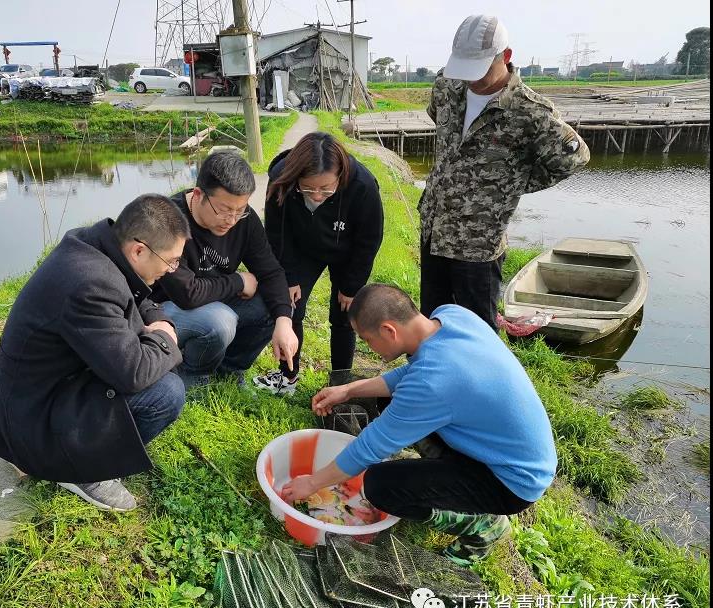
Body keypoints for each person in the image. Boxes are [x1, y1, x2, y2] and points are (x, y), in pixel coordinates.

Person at [282, 284, 557, 567]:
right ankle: (445, 476)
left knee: (379, 486)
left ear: (390, 331)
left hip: (511, 482)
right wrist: (350, 390)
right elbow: (413, 373)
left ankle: (484, 527)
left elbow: (369, 446)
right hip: (504, 449)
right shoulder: (451, 316)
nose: (369, 348)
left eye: (367, 340)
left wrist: (313, 483)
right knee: (391, 402)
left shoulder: (432, 381)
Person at [0, 195, 190, 512]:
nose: (172, 270)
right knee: (166, 392)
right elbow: (133, 373)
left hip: (47, 390)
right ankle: (85, 472)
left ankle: (82, 453)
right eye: (171, 262)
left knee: (158, 361)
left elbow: (139, 296)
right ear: (139, 250)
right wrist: (166, 338)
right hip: (37, 422)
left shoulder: (96, 245)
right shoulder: (91, 283)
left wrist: (159, 321)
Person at [420, 15, 590, 330]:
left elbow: (574, 159)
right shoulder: (445, 88)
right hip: (434, 228)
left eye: (480, 68)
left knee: (478, 330)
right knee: (431, 321)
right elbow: (442, 129)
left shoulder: (530, 112)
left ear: (506, 57)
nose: (471, 78)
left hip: (479, 243)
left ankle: (481, 380)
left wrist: (510, 184)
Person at [150, 151, 299, 388]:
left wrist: (284, 321)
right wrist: (239, 282)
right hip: (164, 310)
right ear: (198, 195)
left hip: (211, 299)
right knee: (220, 320)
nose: (231, 219)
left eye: (240, 210)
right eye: (224, 210)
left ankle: (228, 371)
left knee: (276, 302)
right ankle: (192, 375)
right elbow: (187, 294)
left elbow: (270, 272)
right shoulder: (168, 221)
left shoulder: (244, 220)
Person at [256, 132, 384, 395]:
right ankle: (287, 377)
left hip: (347, 250)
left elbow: (369, 240)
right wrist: (289, 277)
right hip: (302, 249)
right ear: (297, 178)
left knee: (344, 316)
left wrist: (351, 286)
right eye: (308, 188)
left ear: (340, 177)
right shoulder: (282, 179)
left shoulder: (363, 185)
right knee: (291, 308)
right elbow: (276, 232)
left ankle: (340, 381)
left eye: (326, 189)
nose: (316, 195)